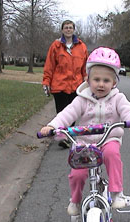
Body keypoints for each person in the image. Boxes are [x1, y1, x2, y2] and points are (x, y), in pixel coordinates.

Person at [40, 47, 130, 216]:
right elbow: (66, 114)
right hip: (85, 143)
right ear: (87, 79)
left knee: (112, 154)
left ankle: (117, 193)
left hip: (108, 139)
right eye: (96, 79)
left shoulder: (118, 98)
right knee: (77, 174)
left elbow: (128, 110)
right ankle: (75, 200)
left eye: (106, 80)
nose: (101, 84)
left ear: (114, 82)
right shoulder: (81, 99)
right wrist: (52, 127)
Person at [42, 20, 88, 149]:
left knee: (73, 111)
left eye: (70, 27)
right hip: (60, 85)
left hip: (76, 86)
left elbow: (85, 68)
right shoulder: (56, 46)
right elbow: (49, 66)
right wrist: (46, 81)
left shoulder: (81, 47)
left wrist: (87, 81)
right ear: (62, 30)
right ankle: (63, 135)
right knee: (62, 111)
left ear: (74, 30)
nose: (68, 29)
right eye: (66, 28)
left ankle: (67, 136)